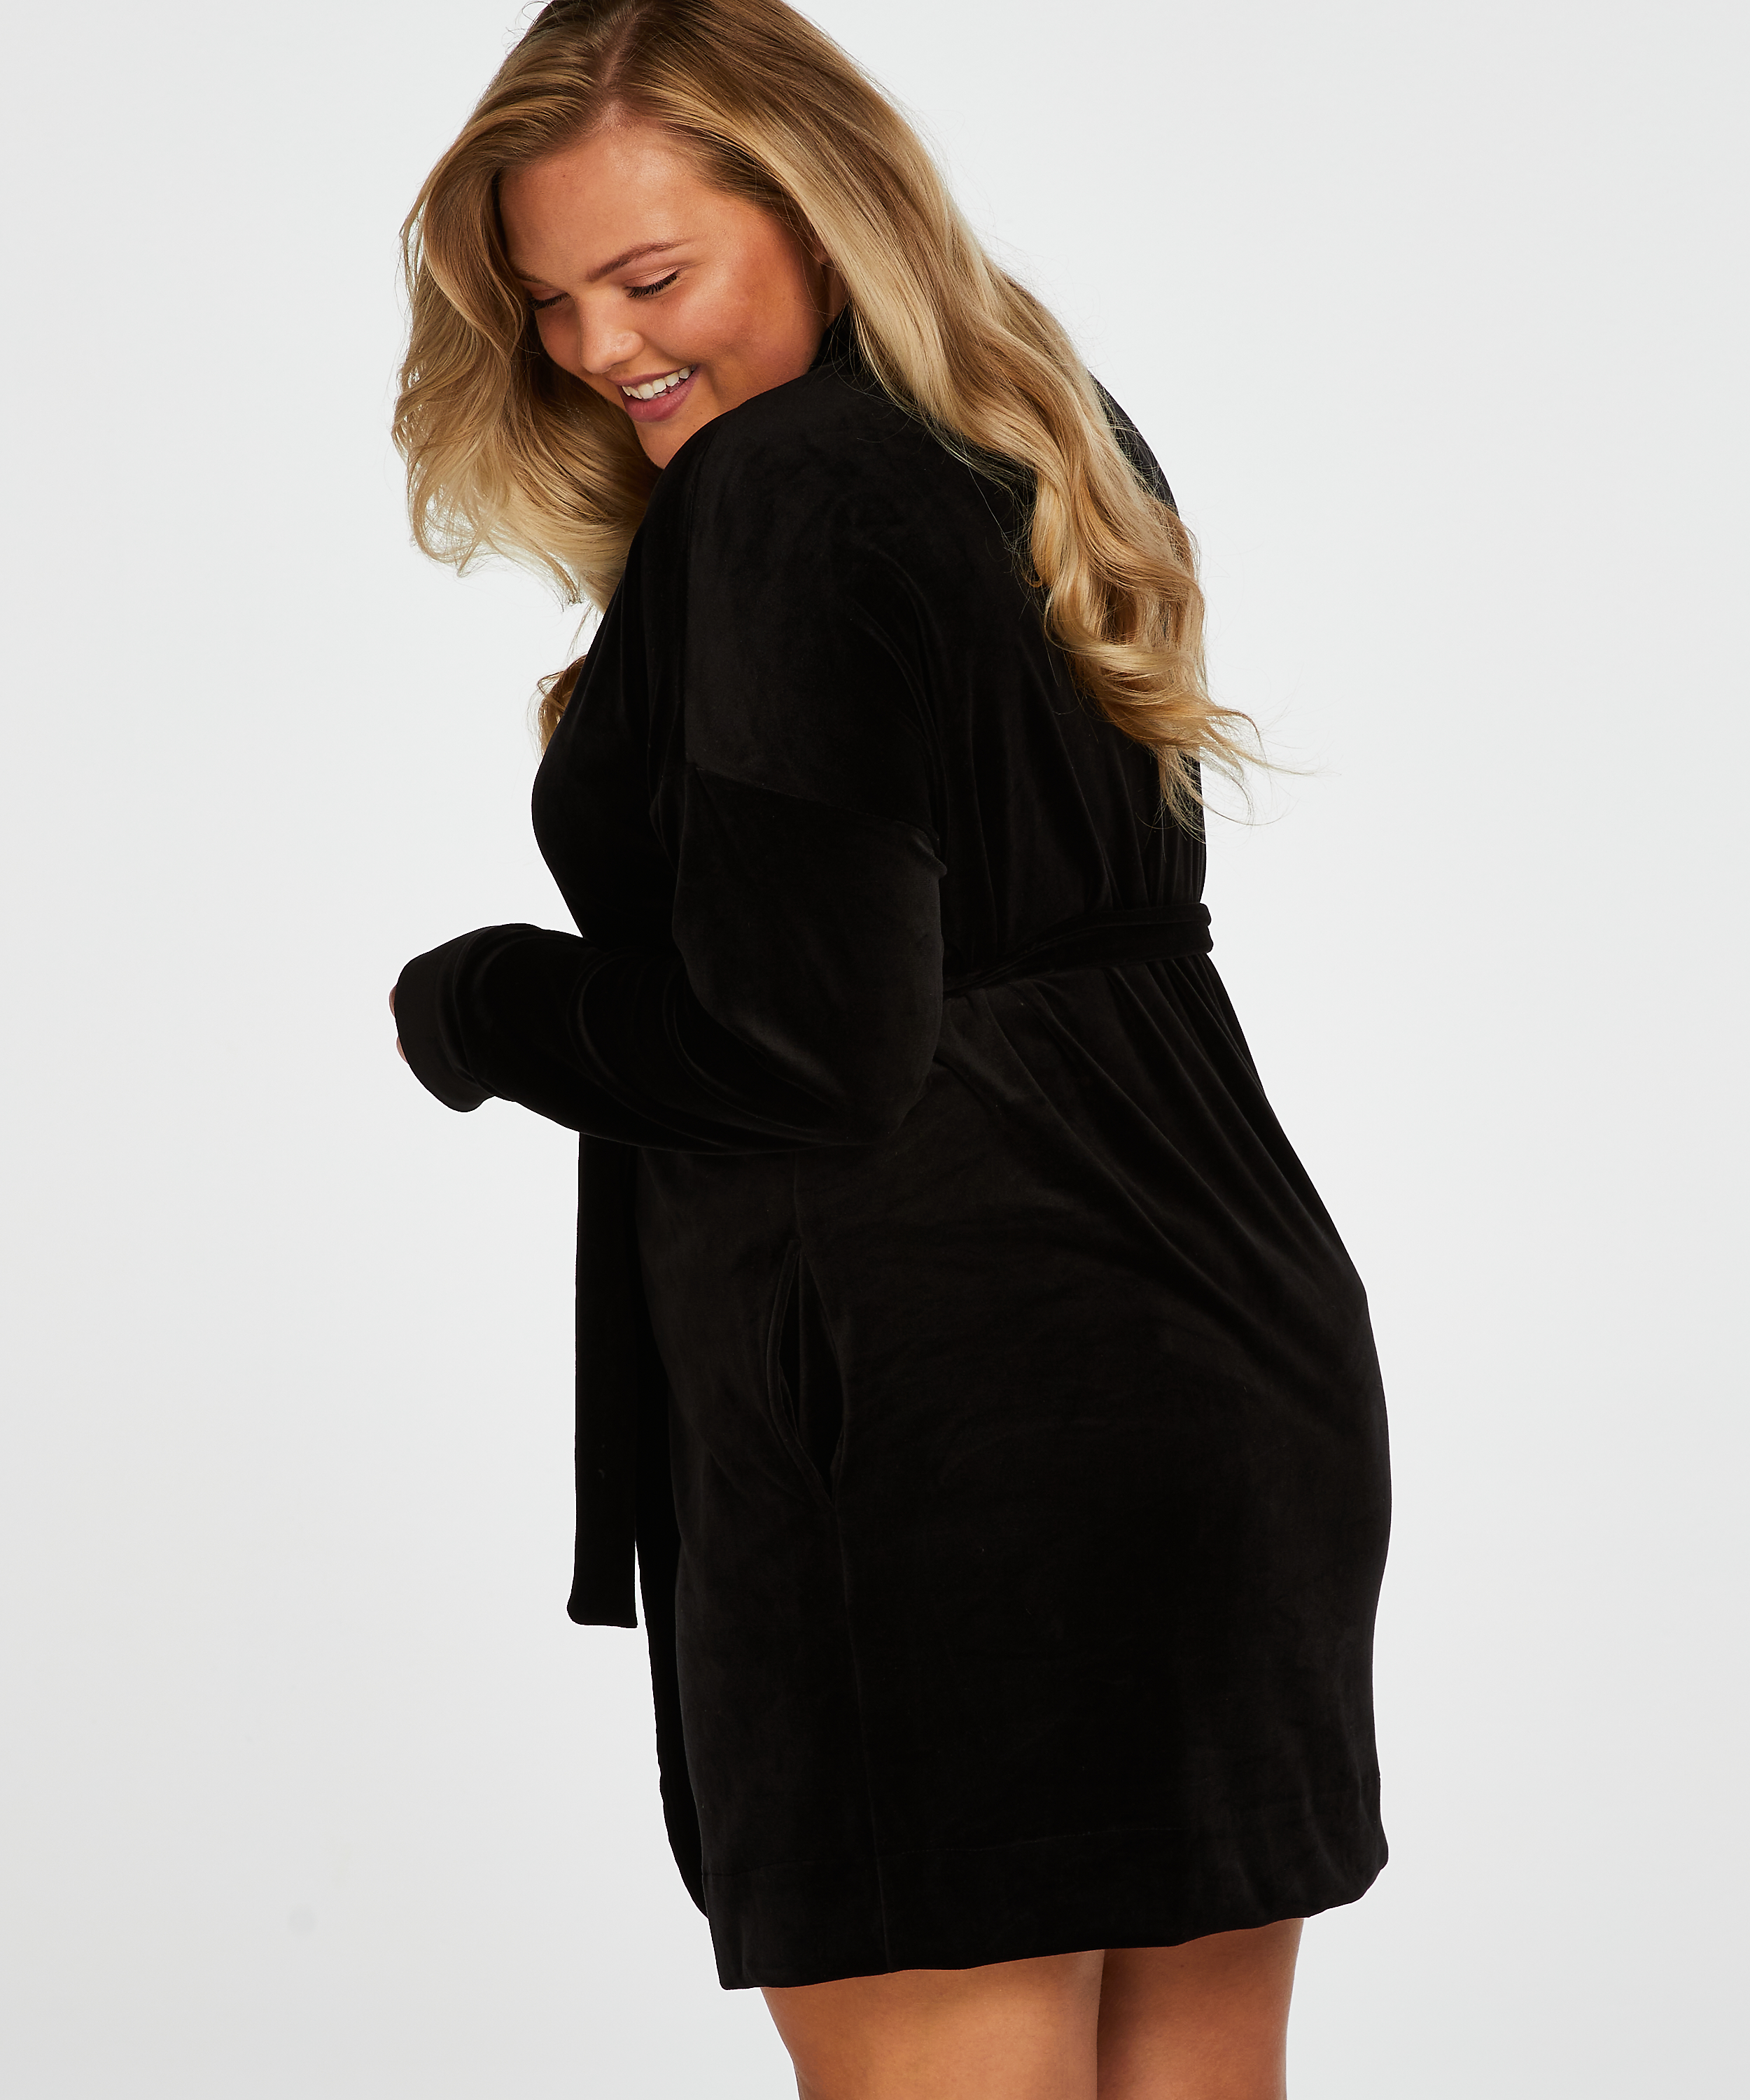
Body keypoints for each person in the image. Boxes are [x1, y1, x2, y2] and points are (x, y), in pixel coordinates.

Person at [389, 2, 1390, 2093]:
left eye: (649, 276)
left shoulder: (779, 489)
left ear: (823, 209)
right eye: (549, 301)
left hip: (932, 1420)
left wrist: (478, 1001)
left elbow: (798, 1053)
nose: (597, 347)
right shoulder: (1048, 441)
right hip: (1219, 1369)